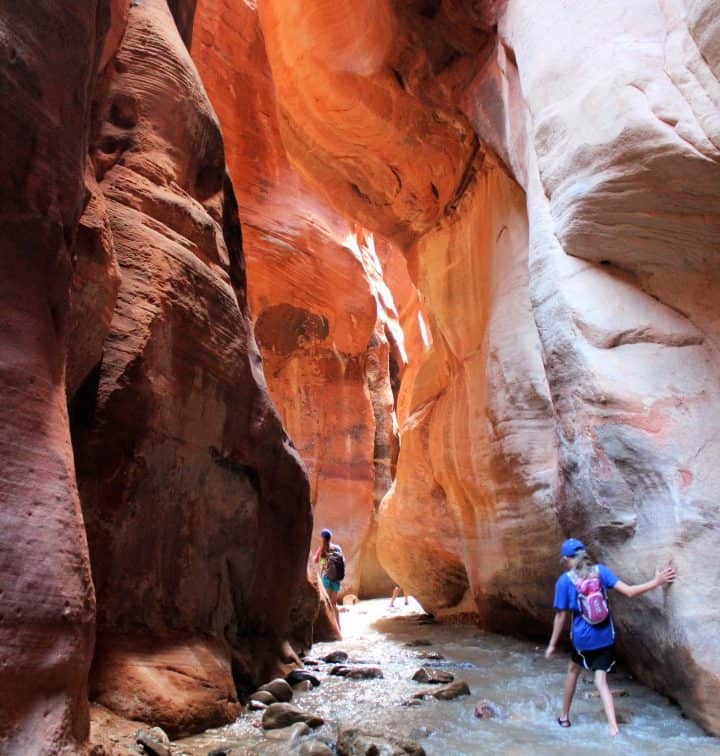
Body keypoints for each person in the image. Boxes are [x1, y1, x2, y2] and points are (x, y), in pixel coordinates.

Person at [545, 538, 676, 736]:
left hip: (583, 640)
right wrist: (657, 582)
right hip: (605, 637)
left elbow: (561, 615)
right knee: (601, 682)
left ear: (566, 559)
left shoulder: (565, 581)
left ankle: (564, 718)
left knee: (573, 669)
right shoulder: (601, 572)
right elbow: (630, 592)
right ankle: (613, 728)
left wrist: (552, 644)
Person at [313, 528, 344, 628]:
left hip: (326, 578)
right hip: (337, 579)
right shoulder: (337, 548)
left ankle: (330, 627)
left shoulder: (322, 548)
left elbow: (315, 561)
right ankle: (339, 626)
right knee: (334, 605)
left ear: (322, 538)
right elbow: (342, 560)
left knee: (328, 604)